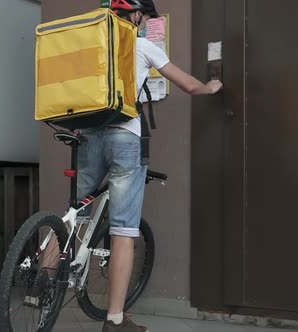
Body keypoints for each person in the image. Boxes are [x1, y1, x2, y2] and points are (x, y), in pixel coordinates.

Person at [75, 1, 223, 331]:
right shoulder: (141, 45)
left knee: (74, 214)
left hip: (87, 136)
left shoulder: (92, 41)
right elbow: (187, 83)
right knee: (124, 231)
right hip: (124, 138)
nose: (146, 23)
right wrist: (210, 87)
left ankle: (42, 284)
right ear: (137, 15)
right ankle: (114, 319)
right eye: (145, 17)